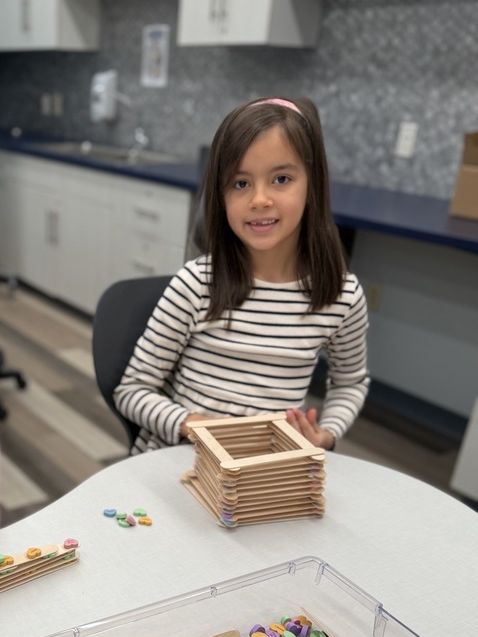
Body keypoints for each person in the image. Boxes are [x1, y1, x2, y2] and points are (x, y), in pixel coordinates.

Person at [113, 96, 370, 454]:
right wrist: (195, 426)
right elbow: (132, 391)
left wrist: (325, 436)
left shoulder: (341, 296)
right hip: (179, 462)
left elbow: (350, 383)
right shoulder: (196, 284)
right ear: (220, 196)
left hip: (262, 479)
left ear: (313, 185)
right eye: (240, 183)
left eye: (281, 179)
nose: (259, 199)